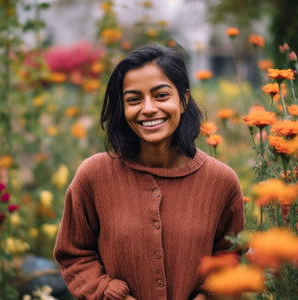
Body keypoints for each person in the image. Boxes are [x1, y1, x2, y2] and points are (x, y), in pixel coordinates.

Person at [54, 44, 244, 300]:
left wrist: (207, 296)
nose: (148, 109)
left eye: (161, 95)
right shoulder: (94, 176)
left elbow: (230, 254)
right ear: (123, 108)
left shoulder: (221, 182)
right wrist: (106, 291)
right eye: (134, 99)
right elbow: (74, 253)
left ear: (184, 100)